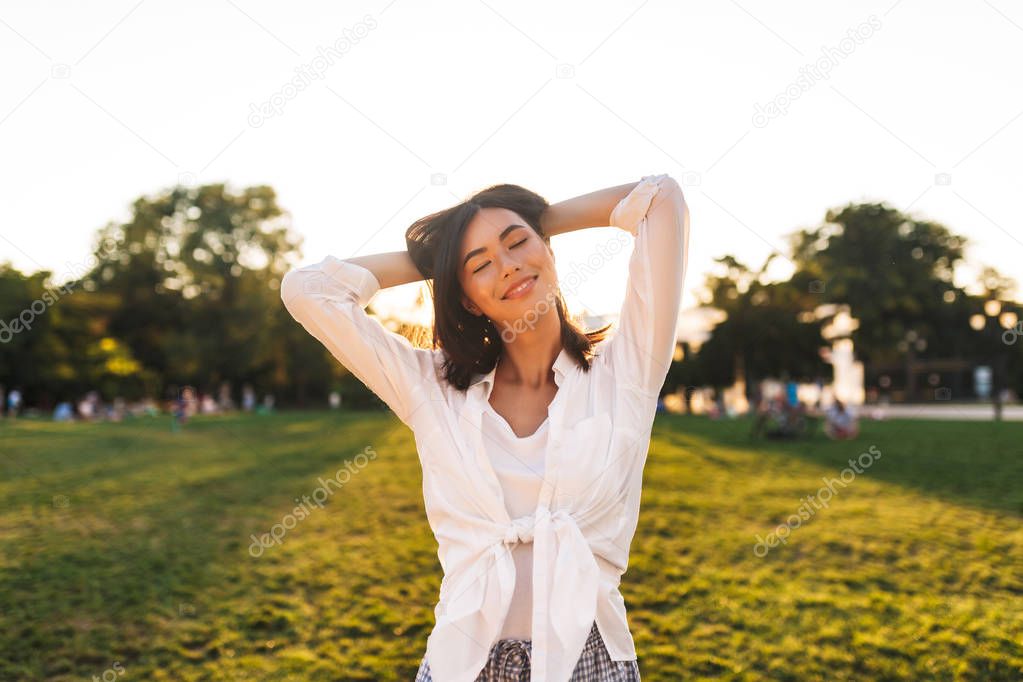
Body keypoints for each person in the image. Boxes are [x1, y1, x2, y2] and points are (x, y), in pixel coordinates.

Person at [281, 174, 689, 681]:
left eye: (518, 243)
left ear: (549, 250)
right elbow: (308, 290)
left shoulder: (626, 372)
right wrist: (442, 255)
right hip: (464, 664)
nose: (509, 265)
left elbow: (660, 200)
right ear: (468, 298)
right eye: (480, 265)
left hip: (589, 662)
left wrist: (536, 221)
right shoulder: (433, 391)